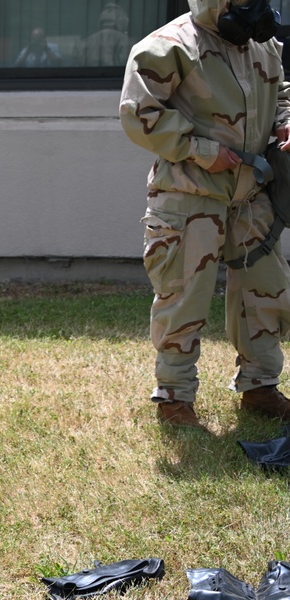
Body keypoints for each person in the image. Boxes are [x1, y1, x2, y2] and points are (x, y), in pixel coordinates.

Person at [120, 0, 290, 429]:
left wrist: (287, 121)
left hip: (251, 196)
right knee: (183, 297)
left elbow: (281, 92)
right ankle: (174, 399)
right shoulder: (166, 47)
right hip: (188, 196)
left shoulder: (262, 43)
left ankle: (260, 387)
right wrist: (203, 151)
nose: (257, 8)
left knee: (266, 293)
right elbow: (139, 115)